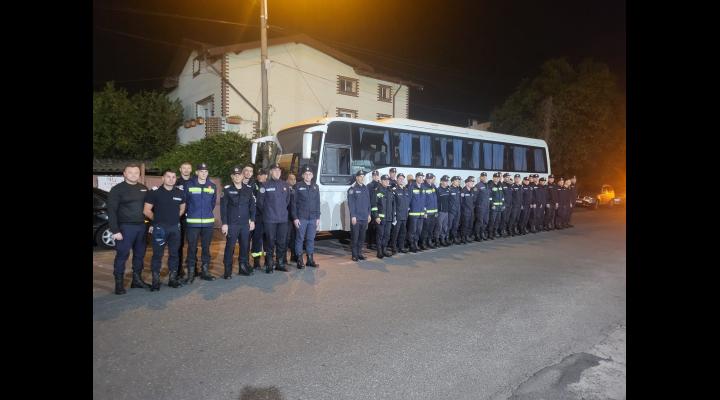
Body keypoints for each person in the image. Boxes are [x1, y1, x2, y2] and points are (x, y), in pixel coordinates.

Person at [107, 163, 151, 295]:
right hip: (125, 228)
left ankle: (136, 280)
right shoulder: (117, 189)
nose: (133, 175)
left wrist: (150, 224)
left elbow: (149, 208)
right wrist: (115, 230)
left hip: (142, 227)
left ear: (139, 174)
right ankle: (119, 284)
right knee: (122, 255)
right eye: (130, 172)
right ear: (124, 174)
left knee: (140, 255)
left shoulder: (143, 188)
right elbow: (112, 211)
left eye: (136, 173)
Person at [144, 169, 186, 290]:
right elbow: (146, 210)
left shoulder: (180, 193)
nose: (171, 179)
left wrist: (173, 218)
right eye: (168, 177)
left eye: (173, 177)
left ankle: (172, 279)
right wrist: (157, 220)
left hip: (175, 228)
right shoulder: (154, 192)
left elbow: (182, 208)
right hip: (159, 229)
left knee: (174, 254)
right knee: (157, 255)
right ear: (163, 178)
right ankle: (155, 282)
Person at [183, 162, 217, 283]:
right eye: (201, 171)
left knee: (206, 248)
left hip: (208, 223)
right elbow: (185, 202)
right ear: (197, 172)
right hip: (193, 222)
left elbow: (212, 204)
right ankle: (191, 273)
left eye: (206, 171)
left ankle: (205, 271)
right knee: (192, 248)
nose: (204, 173)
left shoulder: (212, 186)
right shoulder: (188, 185)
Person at [220, 166, 256, 278]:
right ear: (232, 176)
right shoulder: (227, 189)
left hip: (245, 224)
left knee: (245, 246)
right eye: (235, 175)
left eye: (239, 174)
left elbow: (252, 206)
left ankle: (243, 267)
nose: (237, 176)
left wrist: (253, 220)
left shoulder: (248, 189)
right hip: (232, 224)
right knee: (230, 247)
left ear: (242, 176)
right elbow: (223, 208)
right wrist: (225, 223)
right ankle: (227, 270)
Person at [257, 163, 291, 273]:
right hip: (270, 219)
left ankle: (280, 263)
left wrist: (281, 212)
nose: (277, 172)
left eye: (279, 170)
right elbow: (260, 203)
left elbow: (287, 201)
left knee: (281, 242)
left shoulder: (285, 185)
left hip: (282, 219)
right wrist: (268, 212)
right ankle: (269, 264)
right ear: (271, 172)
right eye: (275, 170)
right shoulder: (265, 185)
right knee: (270, 242)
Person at [291, 166, 321, 269]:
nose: (308, 175)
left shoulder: (315, 187)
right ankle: (299, 260)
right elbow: (293, 204)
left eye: (310, 174)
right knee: (299, 239)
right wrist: (295, 218)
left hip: (313, 218)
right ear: (303, 175)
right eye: (306, 174)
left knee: (310, 239)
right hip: (301, 218)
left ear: (312, 175)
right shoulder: (297, 186)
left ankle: (310, 259)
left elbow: (317, 203)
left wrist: (318, 217)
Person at [174, 161, 193, 279]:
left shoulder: (194, 182)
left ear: (191, 170)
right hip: (179, 217)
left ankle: (193, 268)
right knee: (178, 244)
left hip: (192, 217)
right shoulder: (175, 182)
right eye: (183, 168)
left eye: (188, 168)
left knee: (193, 243)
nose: (186, 170)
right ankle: (178, 269)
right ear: (180, 169)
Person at [347, 170, 371, 261]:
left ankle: (360, 253)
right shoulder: (352, 189)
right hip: (356, 218)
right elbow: (351, 204)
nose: (362, 178)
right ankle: (354, 254)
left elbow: (368, 203)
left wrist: (369, 214)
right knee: (355, 237)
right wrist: (353, 216)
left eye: (363, 177)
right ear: (356, 177)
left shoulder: (365, 188)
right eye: (360, 176)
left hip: (365, 217)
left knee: (362, 237)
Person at [372, 175, 395, 258]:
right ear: (381, 181)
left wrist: (393, 216)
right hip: (381, 218)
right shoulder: (377, 190)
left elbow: (393, 205)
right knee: (380, 235)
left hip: (389, 218)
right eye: (385, 180)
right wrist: (376, 216)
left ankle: (384, 249)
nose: (387, 182)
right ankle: (379, 251)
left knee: (387, 235)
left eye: (388, 180)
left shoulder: (390, 191)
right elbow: (374, 205)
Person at [250, 168, 268, 270]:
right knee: (257, 239)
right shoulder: (253, 185)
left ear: (266, 175)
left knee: (268, 239)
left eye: (262, 174)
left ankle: (267, 259)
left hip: (268, 217)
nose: (260, 176)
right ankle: (256, 262)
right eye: (259, 175)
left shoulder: (269, 185)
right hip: (257, 217)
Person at [390, 173, 410, 253]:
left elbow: (407, 202)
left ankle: (401, 247)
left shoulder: (405, 189)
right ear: (397, 179)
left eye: (402, 179)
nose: (401, 180)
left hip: (404, 215)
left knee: (403, 232)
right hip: (397, 216)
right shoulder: (394, 190)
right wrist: (394, 215)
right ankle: (394, 247)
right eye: (400, 179)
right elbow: (393, 204)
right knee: (395, 233)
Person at [407, 172, 426, 252]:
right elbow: (409, 200)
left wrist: (425, 211)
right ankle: (411, 244)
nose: (421, 179)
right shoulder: (411, 187)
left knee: (419, 230)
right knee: (412, 230)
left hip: (421, 214)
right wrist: (408, 210)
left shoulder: (423, 187)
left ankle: (416, 243)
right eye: (419, 177)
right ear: (416, 178)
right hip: (414, 213)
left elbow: (424, 201)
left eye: (422, 177)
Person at [420, 173, 438, 249]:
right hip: (427, 213)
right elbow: (422, 201)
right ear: (426, 179)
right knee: (425, 229)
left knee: (431, 229)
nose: (430, 180)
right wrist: (425, 212)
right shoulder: (423, 187)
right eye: (428, 178)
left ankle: (429, 241)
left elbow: (435, 200)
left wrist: (436, 211)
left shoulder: (433, 186)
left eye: (431, 178)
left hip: (433, 213)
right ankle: (423, 243)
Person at [366, 170, 381, 250]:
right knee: (371, 227)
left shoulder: (380, 185)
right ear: (372, 176)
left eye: (377, 175)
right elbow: (368, 198)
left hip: (378, 209)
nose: (376, 177)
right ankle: (370, 243)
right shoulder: (369, 186)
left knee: (377, 227)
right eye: (374, 175)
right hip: (371, 208)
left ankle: (375, 242)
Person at [285, 173, 298, 264]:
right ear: (287, 180)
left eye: (294, 179)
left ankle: (294, 256)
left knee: (295, 237)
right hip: (287, 218)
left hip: (296, 218)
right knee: (286, 238)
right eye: (291, 179)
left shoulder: (297, 189)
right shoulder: (285, 190)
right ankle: (284, 257)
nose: (293, 181)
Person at [473, 172, 490, 241]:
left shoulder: (487, 185)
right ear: (480, 177)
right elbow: (474, 197)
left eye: (485, 176)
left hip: (486, 207)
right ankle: (477, 235)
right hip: (480, 207)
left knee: (485, 221)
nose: (484, 178)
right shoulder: (477, 186)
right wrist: (477, 206)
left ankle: (482, 233)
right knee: (479, 221)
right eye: (483, 176)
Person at [487, 172, 504, 240]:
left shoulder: (500, 185)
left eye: (498, 178)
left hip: (500, 207)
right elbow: (489, 197)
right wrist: (492, 204)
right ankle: (490, 234)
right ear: (493, 178)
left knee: (497, 221)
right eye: (495, 178)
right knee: (492, 221)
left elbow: (502, 196)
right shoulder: (491, 185)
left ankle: (495, 232)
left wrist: (503, 204)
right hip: (494, 207)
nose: (497, 179)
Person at [436, 175, 451, 246]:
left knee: (445, 226)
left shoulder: (448, 189)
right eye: (445, 181)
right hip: (441, 211)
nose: (446, 182)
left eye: (447, 181)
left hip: (447, 211)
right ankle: (437, 239)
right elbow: (436, 202)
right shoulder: (438, 190)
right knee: (439, 226)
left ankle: (443, 239)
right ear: (441, 181)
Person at [460, 176, 476, 244]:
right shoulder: (463, 191)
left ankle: (467, 236)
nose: (472, 183)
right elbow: (461, 203)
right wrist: (464, 210)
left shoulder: (472, 191)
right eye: (471, 182)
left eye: (473, 182)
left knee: (470, 225)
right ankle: (463, 237)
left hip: (471, 211)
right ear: (466, 183)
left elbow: (474, 201)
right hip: (465, 212)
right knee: (465, 225)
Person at [448, 176, 462, 244]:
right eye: (457, 181)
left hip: (458, 210)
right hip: (451, 211)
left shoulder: (458, 189)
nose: (458, 182)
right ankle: (448, 238)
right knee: (449, 225)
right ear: (453, 181)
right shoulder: (449, 189)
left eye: (459, 181)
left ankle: (454, 237)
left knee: (456, 225)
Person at [501, 173, 514, 237]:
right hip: (505, 204)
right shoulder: (502, 185)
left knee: (508, 218)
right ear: (504, 178)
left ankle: (506, 230)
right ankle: (502, 230)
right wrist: (503, 204)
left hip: (510, 204)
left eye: (509, 177)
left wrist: (511, 184)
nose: (508, 178)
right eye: (506, 177)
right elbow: (501, 196)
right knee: (504, 218)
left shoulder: (511, 185)